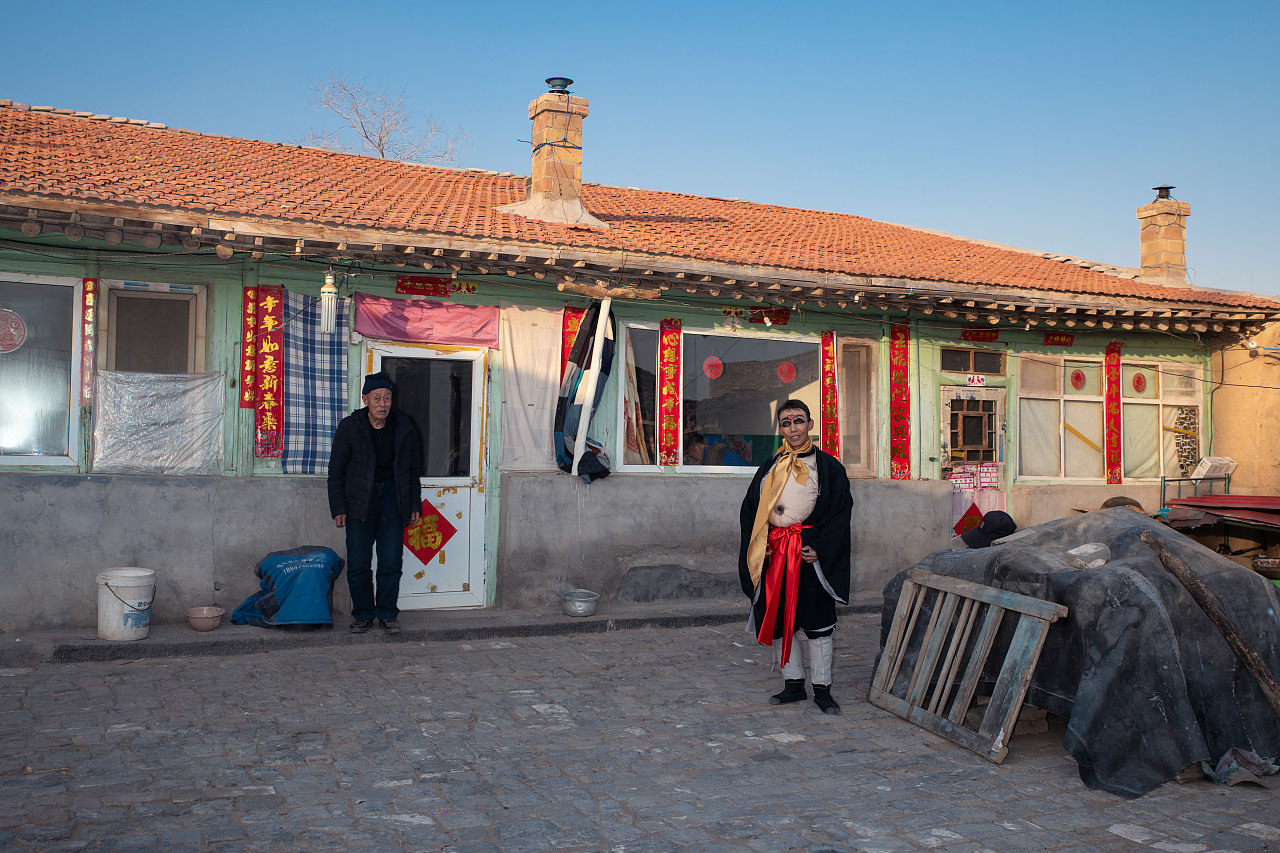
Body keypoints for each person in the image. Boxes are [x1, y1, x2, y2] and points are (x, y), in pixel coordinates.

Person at [738, 400, 853, 714]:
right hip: (776, 554)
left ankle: (822, 689)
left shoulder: (829, 468)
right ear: (781, 429)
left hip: (807, 557)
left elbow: (841, 513)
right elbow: (750, 509)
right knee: (776, 617)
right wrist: (762, 541)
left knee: (817, 623)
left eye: (798, 421)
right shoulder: (770, 466)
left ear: (810, 425)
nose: (793, 428)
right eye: (786, 423)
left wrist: (819, 547)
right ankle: (793, 684)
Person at [327, 372, 423, 634]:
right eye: (377, 398)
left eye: (388, 398)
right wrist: (339, 507)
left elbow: (412, 470)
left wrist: (414, 503)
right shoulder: (350, 427)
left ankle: (387, 614)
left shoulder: (404, 426)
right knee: (358, 561)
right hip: (360, 499)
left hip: (393, 497)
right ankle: (363, 614)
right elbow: (336, 471)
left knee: (391, 559)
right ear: (366, 399)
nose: (383, 404)